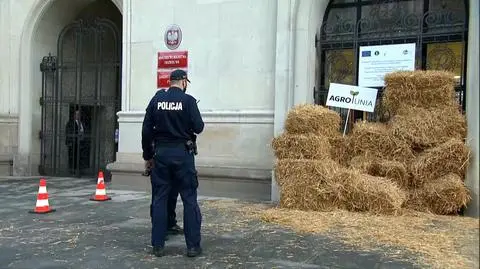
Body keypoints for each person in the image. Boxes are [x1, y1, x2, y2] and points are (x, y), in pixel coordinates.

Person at [142, 69, 204, 257]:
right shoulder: (188, 101)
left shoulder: (156, 100)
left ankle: (158, 245)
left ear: (170, 82)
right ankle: (193, 247)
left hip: (161, 154)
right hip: (182, 154)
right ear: (184, 81)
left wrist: (148, 156)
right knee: (189, 199)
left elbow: (146, 130)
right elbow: (199, 128)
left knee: (160, 198)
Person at [65, 110, 87, 175]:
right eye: (77, 114)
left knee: (80, 157)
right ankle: (72, 170)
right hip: (73, 143)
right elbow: (68, 132)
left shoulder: (82, 123)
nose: (78, 116)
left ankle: (79, 170)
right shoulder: (70, 123)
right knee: (73, 157)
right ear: (74, 115)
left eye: (79, 114)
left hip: (81, 143)